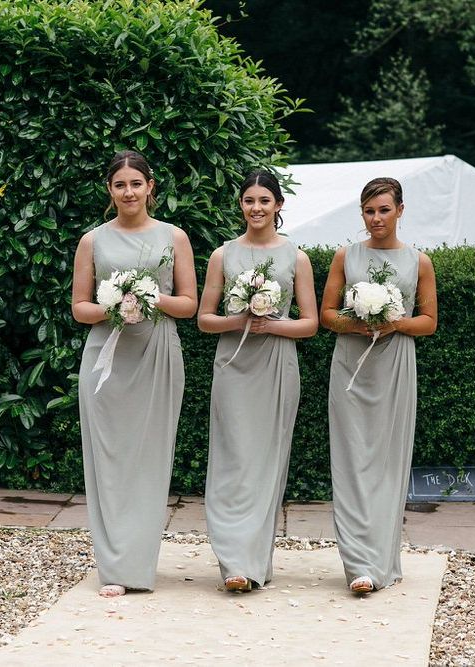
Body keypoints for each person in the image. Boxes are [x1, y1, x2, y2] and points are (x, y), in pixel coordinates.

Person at [71, 150, 197, 597]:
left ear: (150, 187)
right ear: (110, 190)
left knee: (149, 458)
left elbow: (189, 305)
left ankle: (139, 563)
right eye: (120, 185)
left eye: (136, 184)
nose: (129, 192)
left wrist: (148, 297)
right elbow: (80, 308)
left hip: (158, 354)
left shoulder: (174, 236)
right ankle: (115, 566)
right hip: (106, 356)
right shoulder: (92, 241)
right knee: (108, 459)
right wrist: (115, 305)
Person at [198, 170, 318, 592]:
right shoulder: (223, 255)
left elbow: (311, 324)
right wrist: (240, 319)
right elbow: (204, 319)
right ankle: (232, 560)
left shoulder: (296, 258)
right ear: (241, 205)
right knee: (232, 459)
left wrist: (271, 326)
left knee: (266, 461)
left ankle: (254, 562)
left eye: (264, 200)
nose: (256, 208)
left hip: (276, 365)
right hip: (233, 364)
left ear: (278, 206)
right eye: (249, 200)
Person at [320, 177, 438, 594]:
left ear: (400, 210)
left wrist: (393, 323)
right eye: (369, 211)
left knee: (387, 461)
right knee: (351, 459)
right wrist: (360, 322)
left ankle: (383, 558)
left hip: (395, 365)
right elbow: (327, 315)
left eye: (384, 210)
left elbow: (428, 322)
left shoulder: (419, 262)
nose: (376, 219)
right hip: (351, 365)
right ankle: (358, 564)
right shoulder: (345, 257)